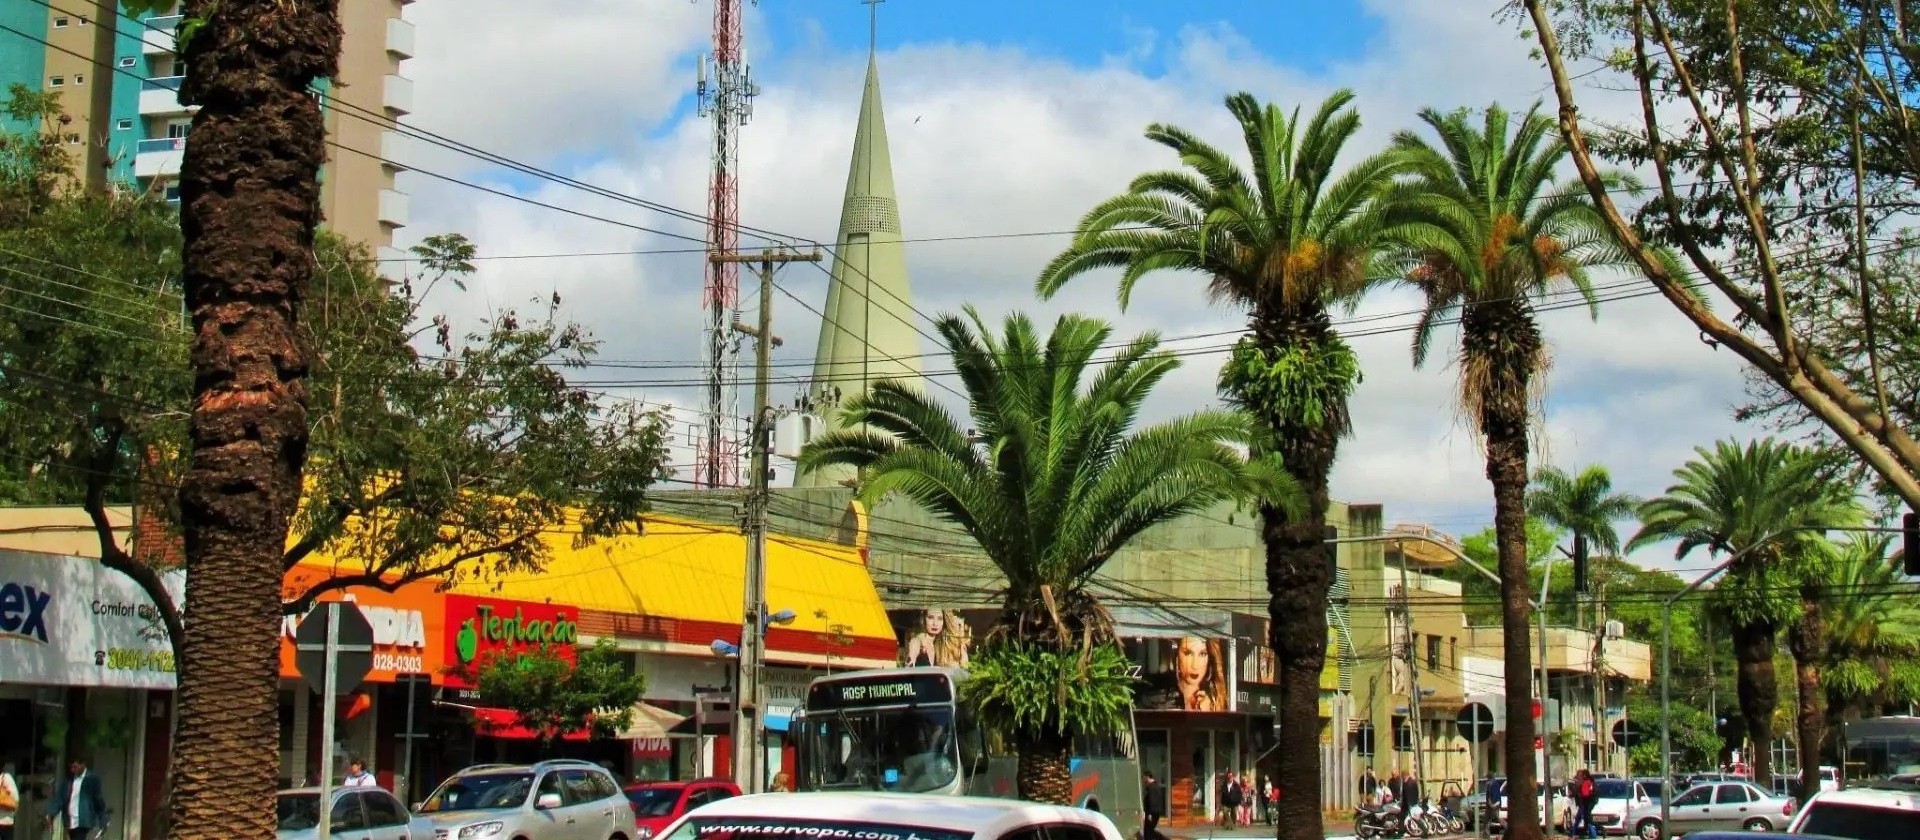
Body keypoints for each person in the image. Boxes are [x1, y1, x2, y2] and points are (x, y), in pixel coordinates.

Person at [45, 757, 108, 840]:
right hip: (70, 821)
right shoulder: (68, 781)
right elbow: (59, 799)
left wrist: (103, 818)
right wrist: (51, 813)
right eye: (71, 767)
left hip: (84, 821)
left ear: (83, 765)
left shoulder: (92, 779)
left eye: (75, 767)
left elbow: (98, 800)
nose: (73, 770)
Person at [1140, 772, 1168, 840]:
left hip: (1152, 813)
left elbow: (1152, 801)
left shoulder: (1151, 787)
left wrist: (1149, 814)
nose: (1143, 779)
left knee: (1148, 832)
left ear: (1147, 777)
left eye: (1143, 777)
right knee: (1149, 831)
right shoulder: (1155, 786)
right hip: (1155, 812)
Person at [1572, 769, 1599, 839]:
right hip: (1585, 803)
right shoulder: (1585, 781)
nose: (1579, 776)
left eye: (1581, 775)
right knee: (1582, 818)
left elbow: (1582, 793)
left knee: (1584, 818)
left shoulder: (1584, 782)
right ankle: (1573, 833)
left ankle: (1593, 834)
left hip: (1584, 803)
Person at [0, 761, 19, 840]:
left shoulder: (6, 777)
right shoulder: (6, 777)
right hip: (6, 820)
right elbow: (16, 799)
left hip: (5, 821)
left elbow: (15, 800)